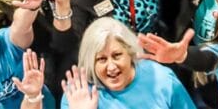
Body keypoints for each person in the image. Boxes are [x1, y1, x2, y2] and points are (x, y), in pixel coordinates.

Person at [60, 17, 195, 108]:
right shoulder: (77, 93)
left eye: (117, 55)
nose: (111, 67)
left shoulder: (162, 78)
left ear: (130, 53)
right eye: (101, 59)